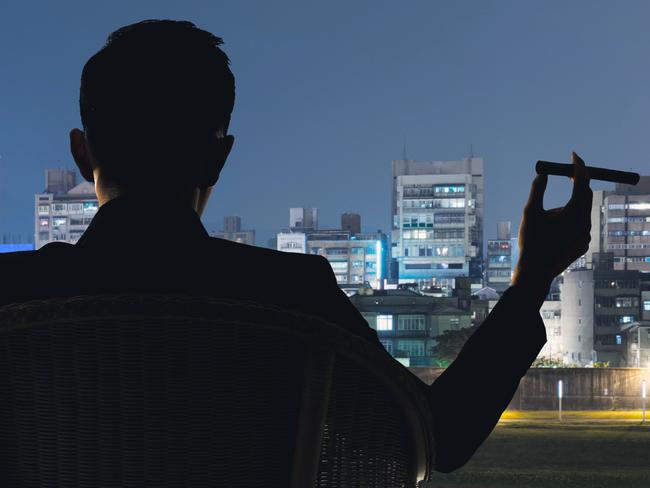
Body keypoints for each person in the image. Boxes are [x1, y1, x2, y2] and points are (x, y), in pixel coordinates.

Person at [0, 19, 592, 473]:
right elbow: (441, 435)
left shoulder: (15, 297)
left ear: (82, 153)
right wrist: (531, 281)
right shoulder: (290, 295)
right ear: (218, 156)